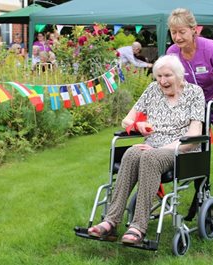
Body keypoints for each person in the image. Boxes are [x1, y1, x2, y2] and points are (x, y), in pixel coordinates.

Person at [87, 54, 205, 244]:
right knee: (132, 152)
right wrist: (137, 125)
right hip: (151, 146)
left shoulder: (194, 93)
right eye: (158, 76)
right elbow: (127, 119)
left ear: (179, 75)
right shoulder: (152, 90)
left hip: (180, 150)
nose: (162, 81)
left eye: (167, 76)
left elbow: (193, 137)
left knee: (149, 157)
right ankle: (111, 222)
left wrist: (162, 148)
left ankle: (138, 227)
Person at [166, 8, 213, 212]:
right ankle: (200, 196)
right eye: (173, 32)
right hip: (197, 109)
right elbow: (173, 81)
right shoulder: (172, 53)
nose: (177, 37)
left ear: (193, 30)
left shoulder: (210, 49)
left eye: (181, 32)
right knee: (196, 151)